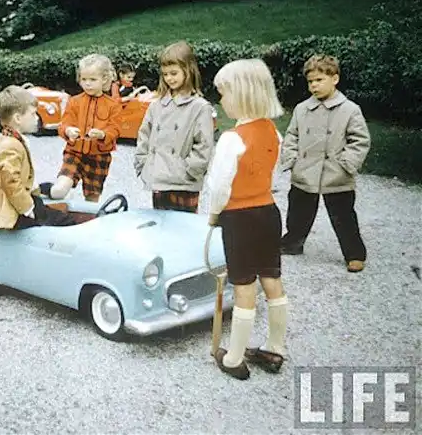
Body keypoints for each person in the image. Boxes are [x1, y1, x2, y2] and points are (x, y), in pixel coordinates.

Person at [205, 59, 288, 380]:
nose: (221, 100)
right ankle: (275, 348)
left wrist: (214, 214)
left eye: (223, 93)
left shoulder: (231, 138)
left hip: (239, 217)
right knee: (272, 279)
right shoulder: (273, 132)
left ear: (240, 94)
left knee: (243, 285)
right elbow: (271, 173)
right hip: (268, 212)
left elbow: (219, 186)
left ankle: (234, 357)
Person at [279, 54, 371, 273]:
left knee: (344, 216)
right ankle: (292, 242)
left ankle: (354, 254)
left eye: (319, 80)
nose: (314, 85)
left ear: (335, 79)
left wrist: (346, 163)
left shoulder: (350, 109)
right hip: (305, 171)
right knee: (298, 212)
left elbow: (360, 140)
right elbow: (291, 135)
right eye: (310, 81)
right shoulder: (302, 109)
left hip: (336, 173)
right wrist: (292, 159)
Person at [0, 85, 76, 230]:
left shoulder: (13, 139)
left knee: (57, 215)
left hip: (21, 202)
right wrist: (28, 208)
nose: (36, 118)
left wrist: (36, 192)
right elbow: (11, 181)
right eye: (33, 114)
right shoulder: (9, 145)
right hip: (14, 212)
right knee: (65, 222)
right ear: (18, 118)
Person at [134, 41, 215, 212]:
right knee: (160, 224)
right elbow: (144, 136)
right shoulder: (156, 106)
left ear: (188, 70)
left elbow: (204, 144)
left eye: (174, 73)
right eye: (165, 74)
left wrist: (191, 170)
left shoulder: (200, 107)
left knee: (183, 226)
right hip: (159, 180)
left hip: (184, 183)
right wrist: (143, 163)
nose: (169, 78)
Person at [39, 54, 123, 203]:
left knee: (92, 198)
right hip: (74, 152)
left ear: (104, 79)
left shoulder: (113, 105)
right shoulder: (74, 101)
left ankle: (86, 216)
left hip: (99, 156)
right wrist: (68, 131)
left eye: (93, 79)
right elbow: (63, 124)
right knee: (60, 190)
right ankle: (44, 191)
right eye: (84, 79)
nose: (87, 84)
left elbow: (115, 129)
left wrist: (103, 134)